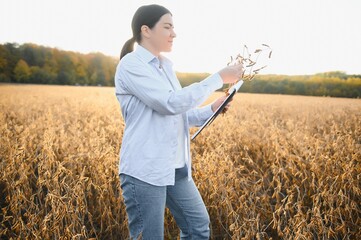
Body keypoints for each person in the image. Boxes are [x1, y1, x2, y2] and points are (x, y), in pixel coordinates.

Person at [114, 4, 243, 239]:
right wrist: (219, 78)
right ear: (146, 30)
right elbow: (170, 103)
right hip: (145, 169)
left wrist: (211, 109)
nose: (174, 33)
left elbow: (178, 113)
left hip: (175, 168)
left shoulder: (166, 67)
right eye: (167, 27)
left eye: (174, 27)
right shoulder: (131, 65)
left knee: (197, 227)